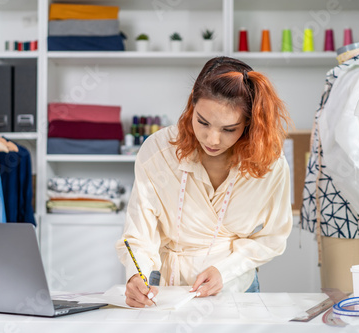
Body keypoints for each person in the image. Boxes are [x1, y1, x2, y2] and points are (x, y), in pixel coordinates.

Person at [116, 56, 293, 308]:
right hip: (169, 293)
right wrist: (137, 274)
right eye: (202, 122)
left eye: (228, 129)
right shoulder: (158, 151)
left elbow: (272, 237)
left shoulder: (269, 163)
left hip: (236, 290)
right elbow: (139, 232)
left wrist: (226, 270)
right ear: (192, 105)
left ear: (248, 123)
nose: (212, 139)